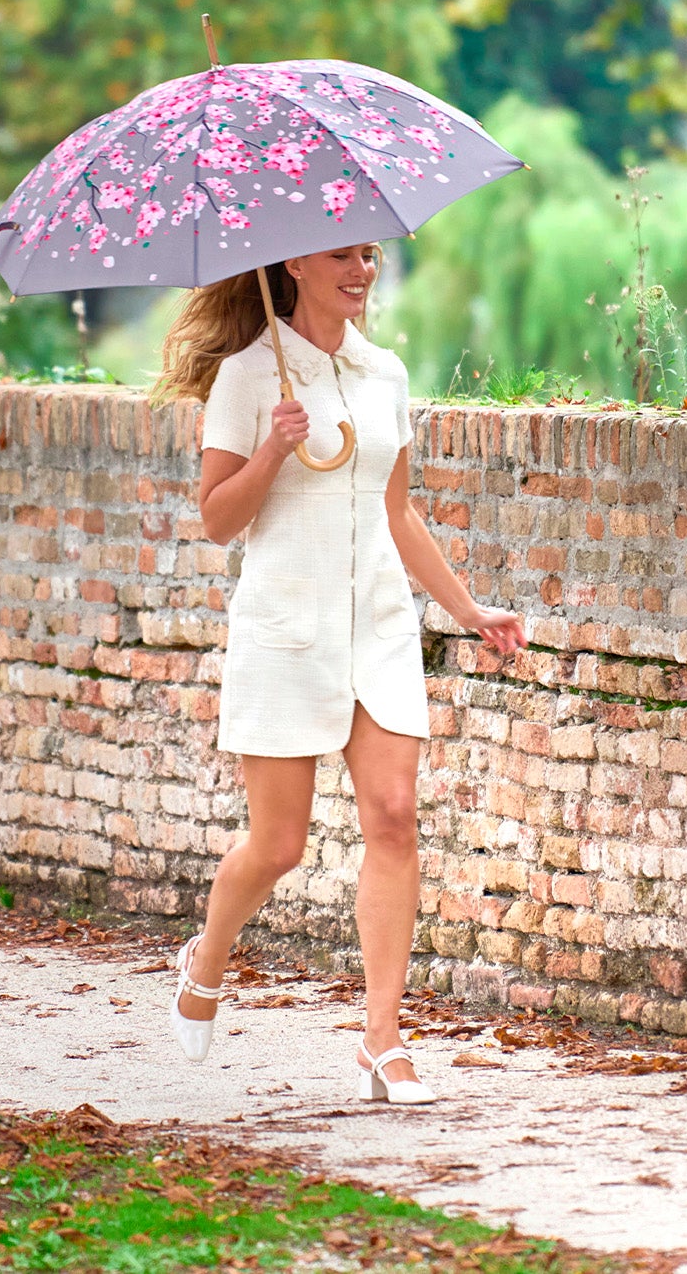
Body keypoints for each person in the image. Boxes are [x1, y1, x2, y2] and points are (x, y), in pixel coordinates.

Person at [152, 242, 528, 1105]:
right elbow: (216, 521)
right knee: (278, 846)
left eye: (369, 254)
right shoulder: (249, 378)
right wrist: (273, 452)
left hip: (380, 626)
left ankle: (383, 1040)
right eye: (342, 257)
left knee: (395, 817)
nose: (362, 270)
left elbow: (396, 513)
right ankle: (206, 959)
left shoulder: (385, 373)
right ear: (293, 267)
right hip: (287, 632)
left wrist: (467, 610)